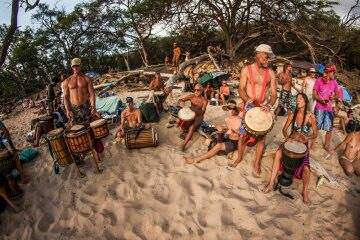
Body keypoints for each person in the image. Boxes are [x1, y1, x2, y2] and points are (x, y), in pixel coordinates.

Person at [263, 93, 317, 204]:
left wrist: (307, 138)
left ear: (305, 101)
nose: (298, 100)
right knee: (278, 153)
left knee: (307, 169)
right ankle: (271, 183)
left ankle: (305, 192)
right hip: (290, 141)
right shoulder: (292, 115)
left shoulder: (310, 116)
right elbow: (284, 129)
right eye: (297, 99)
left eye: (301, 99)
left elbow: (315, 134)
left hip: (303, 145)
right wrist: (287, 138)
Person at [231, 44, 277, 175]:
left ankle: (256, 162)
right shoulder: (246, 69)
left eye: (268, 56)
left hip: (263, 108)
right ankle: (239, 157)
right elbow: (241, 88)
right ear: (258, 54)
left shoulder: (271, 73)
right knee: (242, 135)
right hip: (248, 106)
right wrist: (246, 99)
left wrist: (268, 105)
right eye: (265, 55)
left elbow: (273, 94)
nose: (267, 58)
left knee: (262, 138)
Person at [62, 58, 102, 171]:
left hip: (85, 107)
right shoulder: (67, 81)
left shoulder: (87, 79)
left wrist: (93, 107)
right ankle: (81, 153)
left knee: (90, 130)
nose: (75, 68)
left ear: (80, 66)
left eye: (77, 66)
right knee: (75, 132)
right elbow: (65, 97)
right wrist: (68, 110)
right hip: (74, 109)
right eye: (74, 66)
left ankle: (95, 152)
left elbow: (92, 94)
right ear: (71, 67)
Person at [313, 64, 342, 152]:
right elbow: (314, 94)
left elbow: (338, 94)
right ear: (329, 72)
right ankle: (312, 143)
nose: (334, 74)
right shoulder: (319, 80)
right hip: (319, 107)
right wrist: (320, 100)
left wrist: (334, 98)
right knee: (316, 127)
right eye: (333, 72)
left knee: (329, 129)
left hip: (329, 108)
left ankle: (326, 145)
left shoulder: (334, 82)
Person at [178, 84, 208, 151]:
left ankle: (184, 145)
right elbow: (180, 100)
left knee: (191, 128)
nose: (196, 91)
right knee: (179, 120)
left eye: (198, 90)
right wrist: (181, 102)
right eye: (195, 89)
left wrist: (195, 112)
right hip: (190, 113)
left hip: (199, 116)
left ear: (202, 91)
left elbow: (202, 112)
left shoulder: (204, 100)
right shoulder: (191, 96)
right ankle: (185, 131)